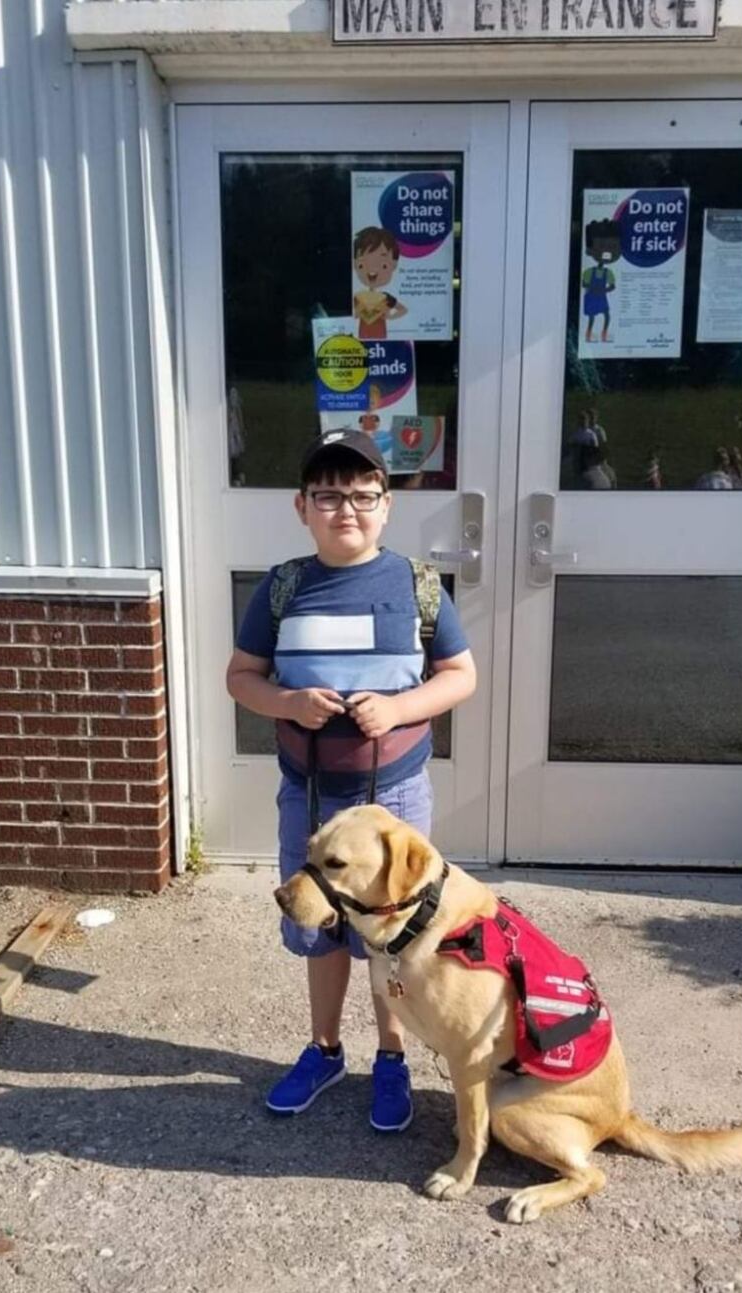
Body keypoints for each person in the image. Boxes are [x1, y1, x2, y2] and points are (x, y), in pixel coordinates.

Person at [226, 429, 476, 1132]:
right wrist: (287, 702)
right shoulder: (282, 587)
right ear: (302, 506)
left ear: (387, 505)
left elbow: (460, 675)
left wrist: (398, 706)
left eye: (363, 495)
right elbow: (240, 676)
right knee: (318, 929)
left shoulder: (418, 585)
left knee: (391, 934)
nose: (347, 510)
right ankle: (325, 1048)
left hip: (393, 799)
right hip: (310, 797)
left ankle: (390, 1056)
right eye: (329, 496)